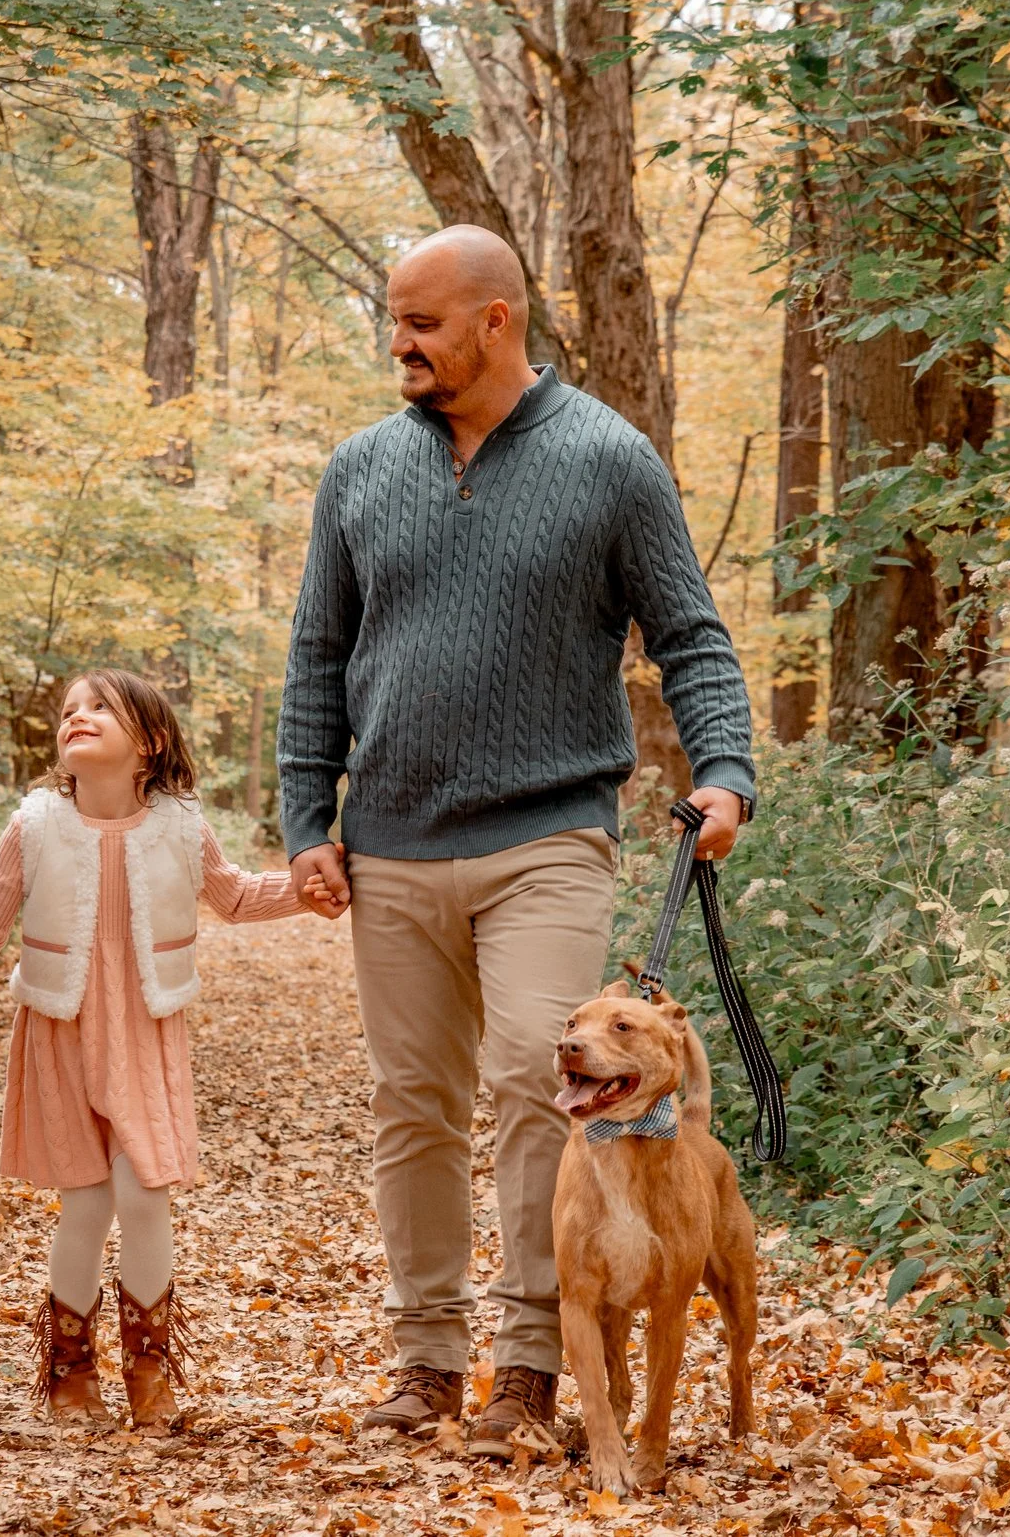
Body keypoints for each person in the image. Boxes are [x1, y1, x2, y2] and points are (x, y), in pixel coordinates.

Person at [277, 225, 757, 1452]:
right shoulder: (360, 468)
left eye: (421, 321)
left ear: (496, 320)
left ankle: (534, 1365)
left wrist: (725, 774)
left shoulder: (609, 458)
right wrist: (303, 820)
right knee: (412, 1105)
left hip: (548, 830)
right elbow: (318, 657)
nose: (399, 341)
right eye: (392, 318)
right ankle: (425, 1359)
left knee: (546, 1092)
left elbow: (689, 635)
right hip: (387, 839)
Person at [0, 671, 308, 1431]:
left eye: (98, 707)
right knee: (84, 1202)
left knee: (146, 1194)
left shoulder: (180, 826)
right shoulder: (36, 822)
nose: (76, 716)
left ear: (147, 742)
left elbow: (237, 895)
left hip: (146, 1026)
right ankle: (68, 1373)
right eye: (68, 710)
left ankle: (150, 1370)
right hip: (59, 1024)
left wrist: (310, 888)